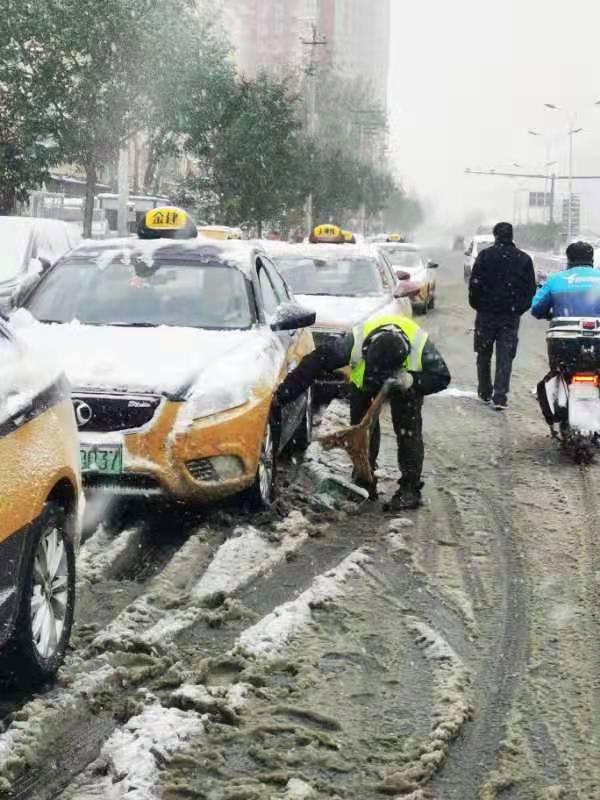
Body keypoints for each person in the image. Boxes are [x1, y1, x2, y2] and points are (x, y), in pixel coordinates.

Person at [275, 315, 451, 510]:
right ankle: (364, 479)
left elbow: (442, 377)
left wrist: (412, 380)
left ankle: (410, 489)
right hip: (365, 384)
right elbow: (316, 362)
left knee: (408, 431)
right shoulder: (353, 342)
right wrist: (284, 394)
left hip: (405, 385)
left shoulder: (420, 345)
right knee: (362, 431)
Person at [468, 221, 536, 410]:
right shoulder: (523, 259)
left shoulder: (484, 256)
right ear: (512, 236)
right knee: (505, 355)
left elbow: (474, 285)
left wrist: (478, 305)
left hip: (486, 314)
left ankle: (484, 390)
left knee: (483, 352)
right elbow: (530, 289)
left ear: (495, 235)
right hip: (510, 316)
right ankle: (500, 396)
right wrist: (518, 308)